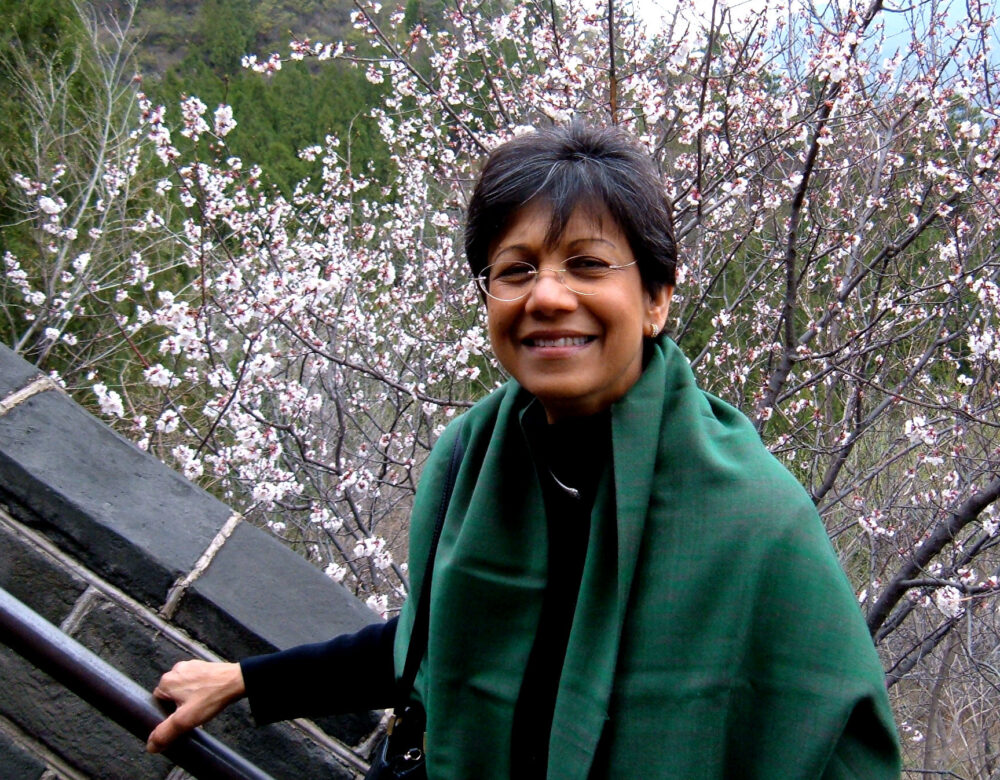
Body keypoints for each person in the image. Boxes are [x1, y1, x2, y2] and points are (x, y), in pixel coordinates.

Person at [147, 123, 902, 778]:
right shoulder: (480, 466)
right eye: (516, 270)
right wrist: (249, 681)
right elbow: (437, 646)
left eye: (586, 263)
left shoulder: (753, 517)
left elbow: (832, 735)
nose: (546, 296)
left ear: (657, 298)